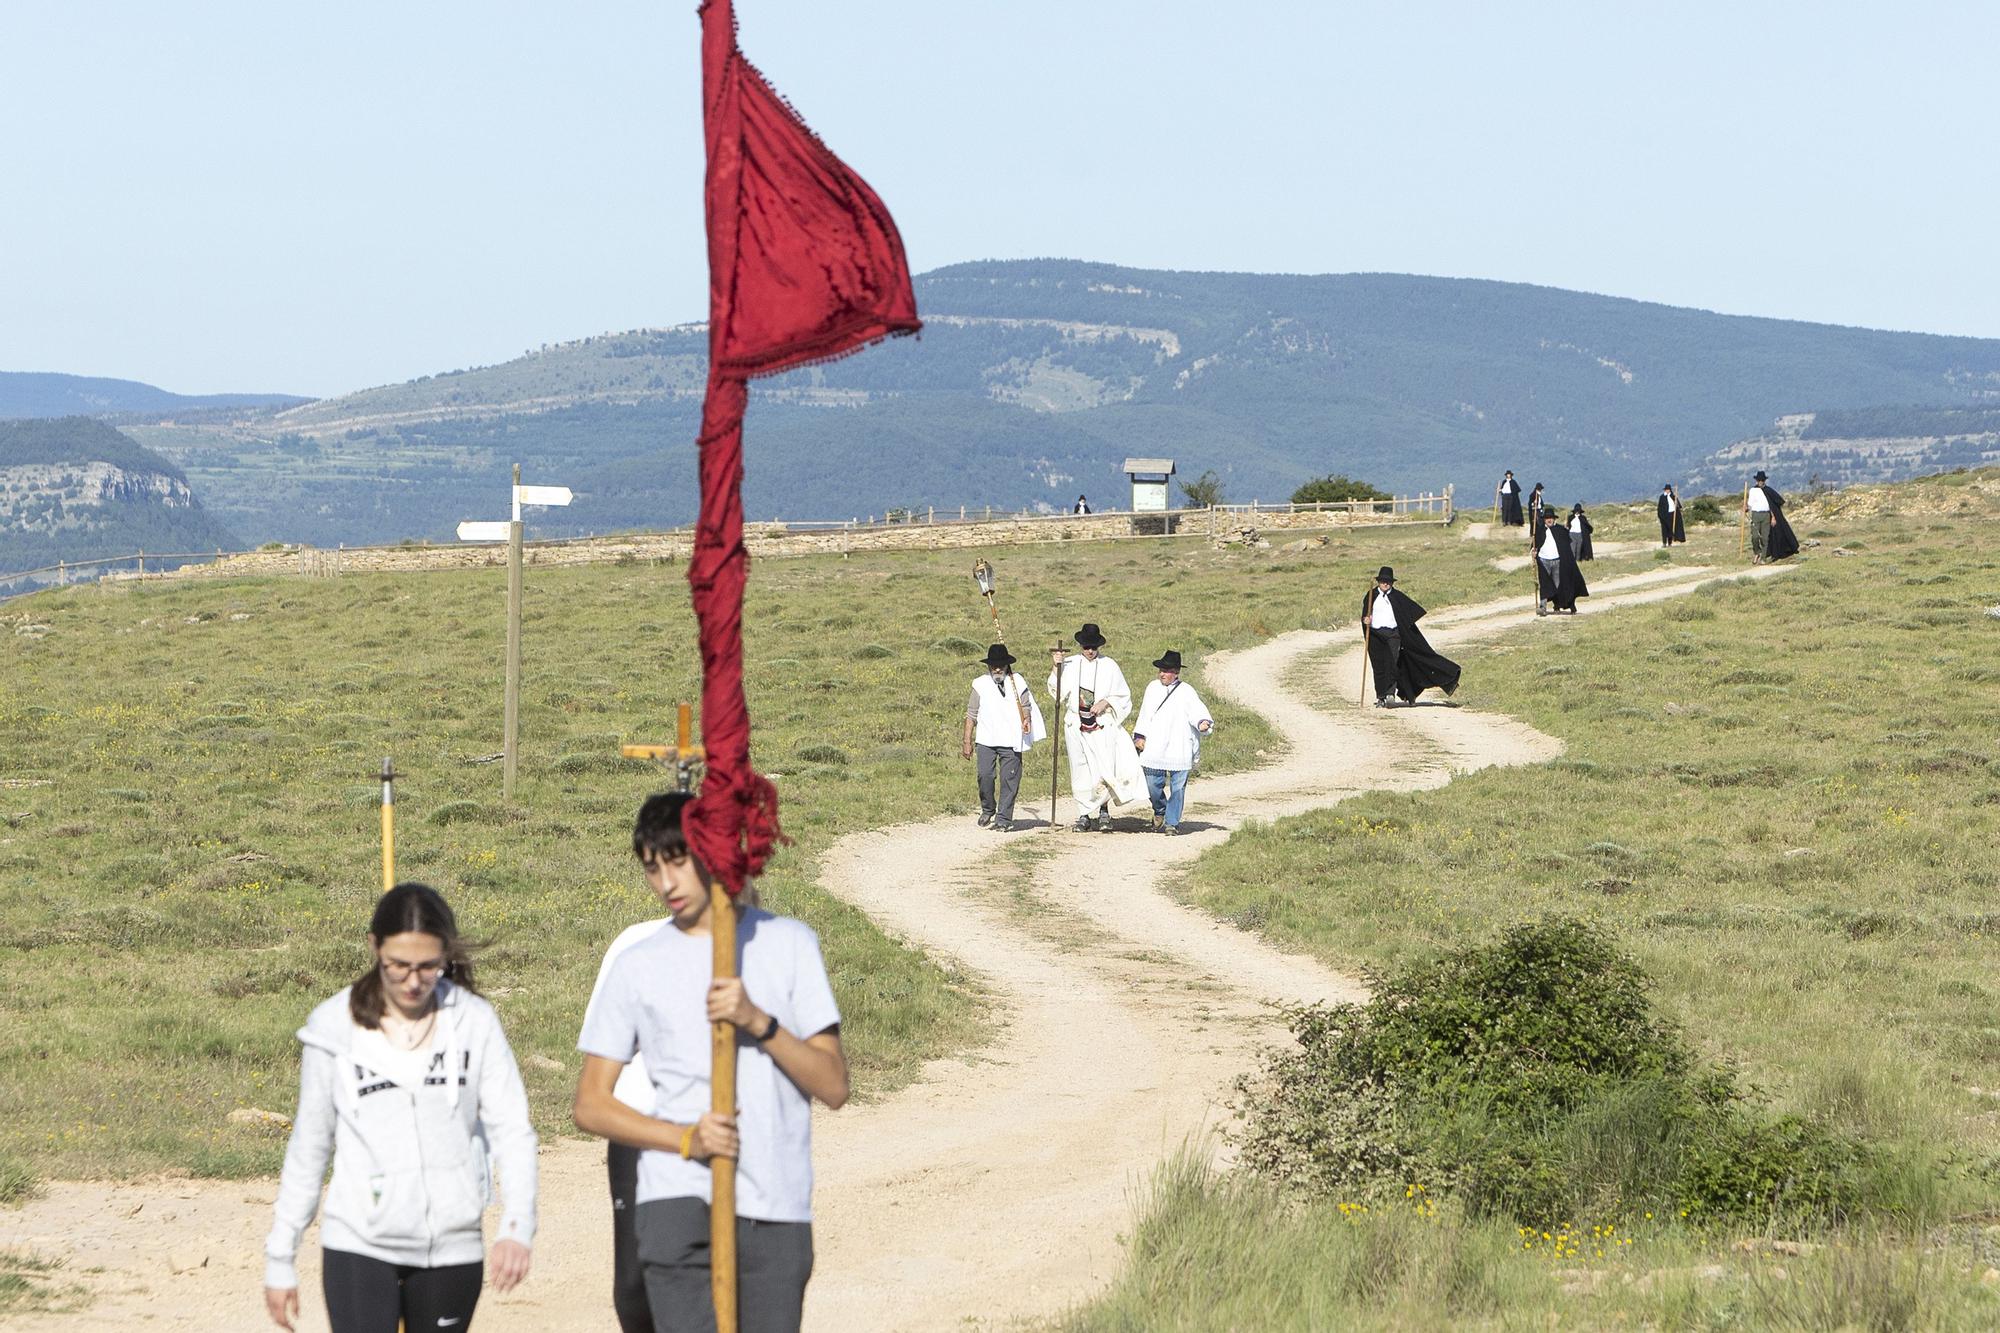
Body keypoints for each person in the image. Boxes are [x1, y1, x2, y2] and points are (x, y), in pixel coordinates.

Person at [575, 793, 847, 1333]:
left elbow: (834, 1085)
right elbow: (591, 1104)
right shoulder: (637, 964)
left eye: (677, 863)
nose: (666, 884)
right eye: (652, 869)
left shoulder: (789, 944)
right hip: (674, 1198)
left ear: (712, 853)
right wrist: (685, 1140)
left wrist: (758, 1022)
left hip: (773, 1196)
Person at [264, 884, 537, 1333]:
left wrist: (517, 1225)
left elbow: (512, 1130)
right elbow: (309, 1146)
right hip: (359, 1243)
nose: (414, 982)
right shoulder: (333, 1027)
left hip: (452, 1248)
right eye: (399, 966)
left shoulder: (474, 1022)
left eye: (429, 966)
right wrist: (280, 1256)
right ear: (375, 947)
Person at [583, 906, 673, 1333]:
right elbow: (598, 1070)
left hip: (719, 1139)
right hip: (636, 1133)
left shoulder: (763, 950)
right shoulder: (633, 943)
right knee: (634, 1287)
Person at [1048, 622, 1146, 831]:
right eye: (1086, 647)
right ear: (1081, 646)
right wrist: (1056, 668)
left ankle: (1103, 812)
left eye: (1094, 647)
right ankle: (1083, 814)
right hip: (1076, 723)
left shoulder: (1109, 665)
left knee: (1102, 766)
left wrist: (1107, 702)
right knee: (1080, 767)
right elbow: (1056, 692)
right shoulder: (1071, 663)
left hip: (1101, 723)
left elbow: (1123, 695)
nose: (1090, 651)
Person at [960, 642, 1045, 833]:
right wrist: (967, 741)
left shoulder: (1017, 682)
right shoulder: (979, 684)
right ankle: (988, 808)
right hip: (986, 739)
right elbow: (971, 714)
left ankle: (1004, 817)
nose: (997, 669)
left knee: (1010, 778)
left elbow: (1026, 706)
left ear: (1007, 665)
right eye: (994, 666)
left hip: (1011, 739)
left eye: (1001, 665)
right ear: (988, 666)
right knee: (985, 776)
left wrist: (1026, 720)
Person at [1131, 649, 1213, 834]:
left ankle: (1172, 823)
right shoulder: (1152, 688)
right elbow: (1145, 714)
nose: (1162, 674)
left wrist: (1203, 723)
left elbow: (1197, 712)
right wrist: (1139, 736)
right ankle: (1160, 810)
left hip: (1179, 745)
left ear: (1176, 672)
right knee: (1152, 785)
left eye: (1166, 671)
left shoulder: (1186, 691)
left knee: (1177, 789)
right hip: (1155, 746)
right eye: (1160, 670)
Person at [1361, 566, 1461, 707]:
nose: (1385, 584)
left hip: (1393, 634)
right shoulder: (1371, 595)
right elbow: (1365, 614)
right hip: (1376, 635)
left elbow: (1409, 613)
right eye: (1383, 581)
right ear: (1379, 581)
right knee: (1378, 666)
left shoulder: (1397, 596)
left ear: (1392, 583)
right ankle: (1381, 697)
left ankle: (1390, 694)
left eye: (1388, 581)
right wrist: (1365, 620)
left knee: (1392, 663)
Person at [1534, 506, 1589, 615]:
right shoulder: (1539, 531)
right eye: (1547, 518)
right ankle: (1542, 607)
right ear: (1544, 519)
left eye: (1551, 518)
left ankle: (1557, 605)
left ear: (1554, 519)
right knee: (1544, 584)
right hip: (1543, 561)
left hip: (1557, 561)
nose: (1549, 520)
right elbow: (1534, 545)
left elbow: (1566, 546)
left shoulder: (1560, 530)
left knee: (1557, 584)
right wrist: (1534, 552)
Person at [1745, 471, 1799, 563]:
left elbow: (1776, 502)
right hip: (1757, 515)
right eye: (1759, 480)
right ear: (1757, 481)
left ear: (1764, 480)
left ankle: (1768, 556)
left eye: (1762, 480)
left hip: (1769, 515)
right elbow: (1750, 503)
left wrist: (1774, 516)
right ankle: (1759, 553)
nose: (1760, 482)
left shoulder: (1768, 490)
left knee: (1769, 536)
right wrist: (1746, 507)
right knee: (1756, 536)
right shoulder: (1753, 490)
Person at [1524, 482, 1547, 549]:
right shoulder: (1532, 495)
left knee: (1541, 525)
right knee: (1537, 525)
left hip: (1539, 511)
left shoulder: (1539, 495)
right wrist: (1533, 503)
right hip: (1535, 512)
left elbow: (1541, 504)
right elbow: (1530, 504)